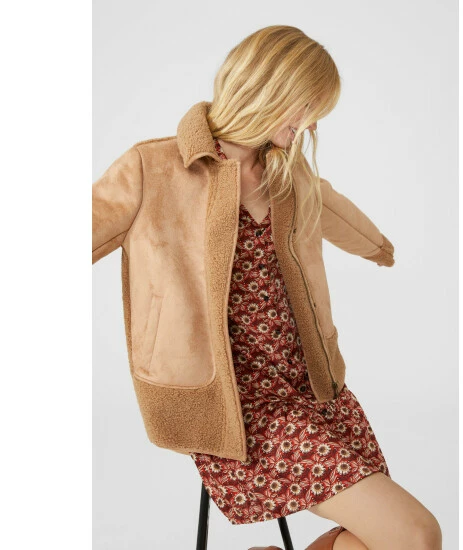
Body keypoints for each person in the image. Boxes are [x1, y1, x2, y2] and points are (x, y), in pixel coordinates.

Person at [93, 25, 442, 550]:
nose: (313, 122)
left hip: (313, 389)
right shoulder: (154, 168)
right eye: (309, 106)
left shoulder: (286, 174)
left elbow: (336, 212)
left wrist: (380, 249)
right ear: (269, 89)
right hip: (235, 410)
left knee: (374, 540)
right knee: (416, 534)